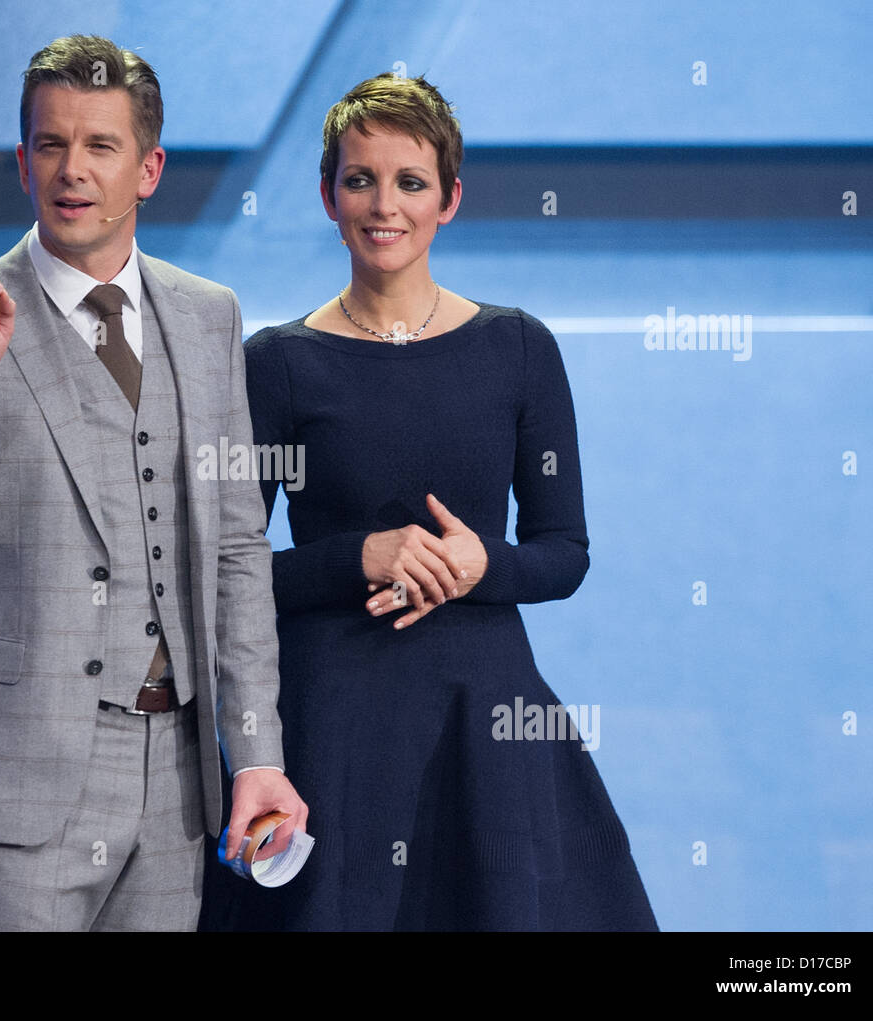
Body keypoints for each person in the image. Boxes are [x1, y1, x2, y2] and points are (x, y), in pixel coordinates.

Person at [0, 34, 306, 932]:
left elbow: (240, 552)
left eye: (100, 145)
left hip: (178, 786)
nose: (72, 169)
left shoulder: (210, 317)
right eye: (51, 144)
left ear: (149, 169)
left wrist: (255, 752)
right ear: (22, 163)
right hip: (18, 784)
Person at [199, 73, 656, 930]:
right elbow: (230, 571)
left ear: (449, 198)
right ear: (328, 195)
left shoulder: (519, 348)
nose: (385, 205)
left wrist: (485, 563)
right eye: (360, 179)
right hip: (330, 730)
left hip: (485, 722)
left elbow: (565, 553)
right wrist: (356, 557)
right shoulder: (278, 362)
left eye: (410, 182)